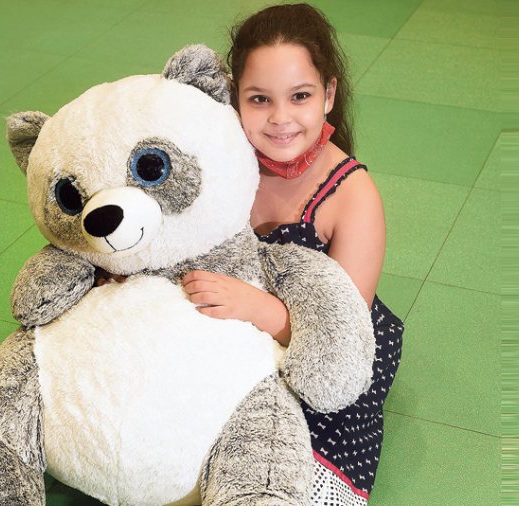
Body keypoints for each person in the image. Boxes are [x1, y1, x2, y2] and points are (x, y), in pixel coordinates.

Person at [180, 3, 403, 503]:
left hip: (313, 351)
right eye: (259, 99)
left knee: (287, 476)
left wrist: (254, 307)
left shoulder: (352, 195)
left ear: (328, 95)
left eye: (299, 96)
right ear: (234, 99)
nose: (280, 119)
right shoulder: (218, 162)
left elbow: (338, 337)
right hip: (222, 325)